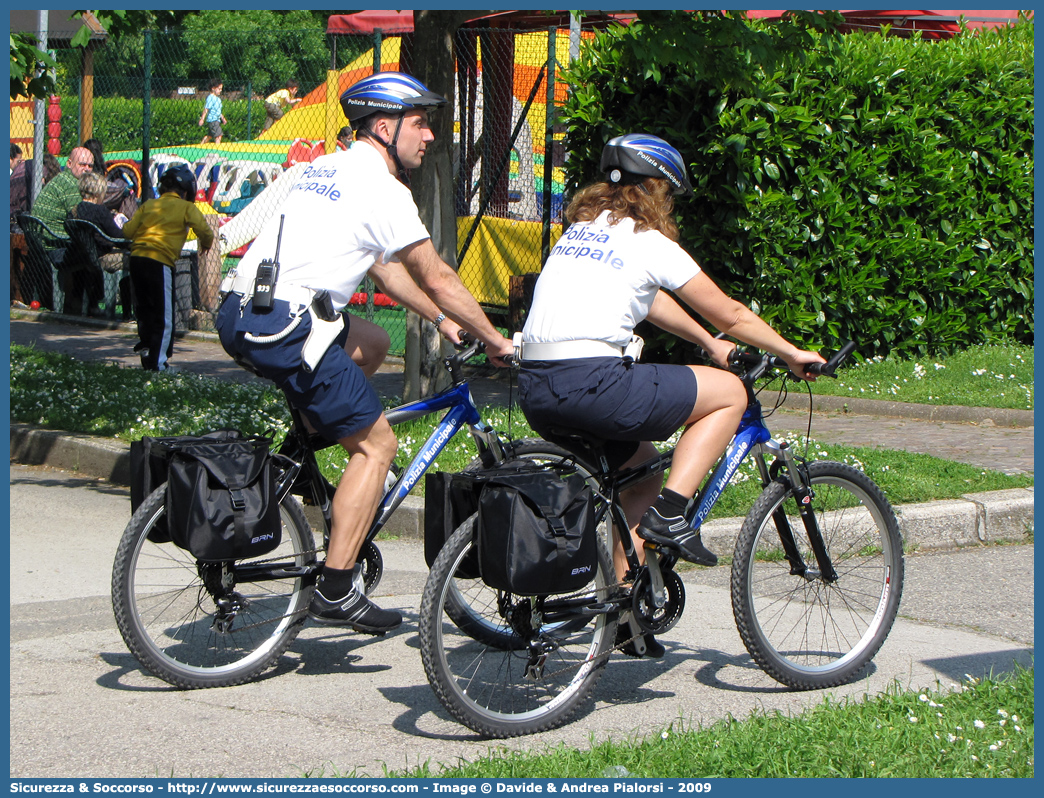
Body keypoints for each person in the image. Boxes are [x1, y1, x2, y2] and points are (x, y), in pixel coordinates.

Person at [217, 71, 514, 634]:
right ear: (385, 127)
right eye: (421, 123)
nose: (429, 135)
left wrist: (441, 320)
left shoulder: (322, 168)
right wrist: (497, 340)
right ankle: (335, 588)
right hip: (291, 325)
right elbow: (437, 274)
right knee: (378, 445)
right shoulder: (383, 187)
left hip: (244, 313)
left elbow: (383, 266)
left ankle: (304, 453)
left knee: (372, 343)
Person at [517, 133, 825, 655]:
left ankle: (623, 619)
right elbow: (728, 311)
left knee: (641, 474)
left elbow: (652, 299)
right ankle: (672, 514)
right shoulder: (650, 242)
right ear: (656, 189)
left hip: (537, 389)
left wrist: (707, 343)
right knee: (729, 393)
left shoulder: (581, 231)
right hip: (593, 383)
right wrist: (793, 353)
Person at [123, 165, 215, 370]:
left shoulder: (149, 205)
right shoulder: (186, 208)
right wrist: (206, 244)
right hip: (160, 262)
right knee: (164, 317)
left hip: (137, 260)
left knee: (145, 311)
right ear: (187, 191)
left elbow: (128, 231)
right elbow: (205, 230)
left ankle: (148, 351)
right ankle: (159, 364)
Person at [30, 146, 94, 234]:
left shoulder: (62, 178)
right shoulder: (71, 184)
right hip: (55, 238)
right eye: (82, 164)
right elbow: (81, 218)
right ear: (69, 164)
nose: (87, 169)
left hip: (41, 236)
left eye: (90, 166)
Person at [198, 79, 228, 144]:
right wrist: (202, 119)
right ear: (213, 88)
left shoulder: (218, 99)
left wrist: (223, 118)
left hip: (216, 120)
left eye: (221, 89)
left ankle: (201, 145)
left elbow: (218, 111)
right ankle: (217, 149)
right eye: (219, 89)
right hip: (213, 120)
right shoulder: (211, 98)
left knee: (209, 136)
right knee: (218, 136)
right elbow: (206, 109)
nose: (221, 90)